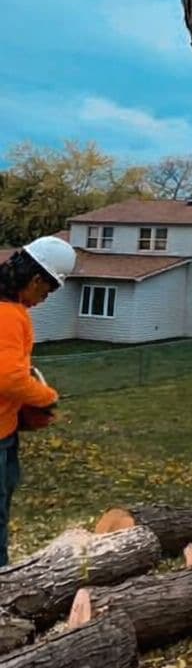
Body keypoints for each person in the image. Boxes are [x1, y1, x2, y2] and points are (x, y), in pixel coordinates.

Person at [0, 236, 76, 565]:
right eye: (44, 293)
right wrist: (47, 397)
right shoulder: (9, 315)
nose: (42, 301)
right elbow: (10, 378)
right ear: (35, 280)